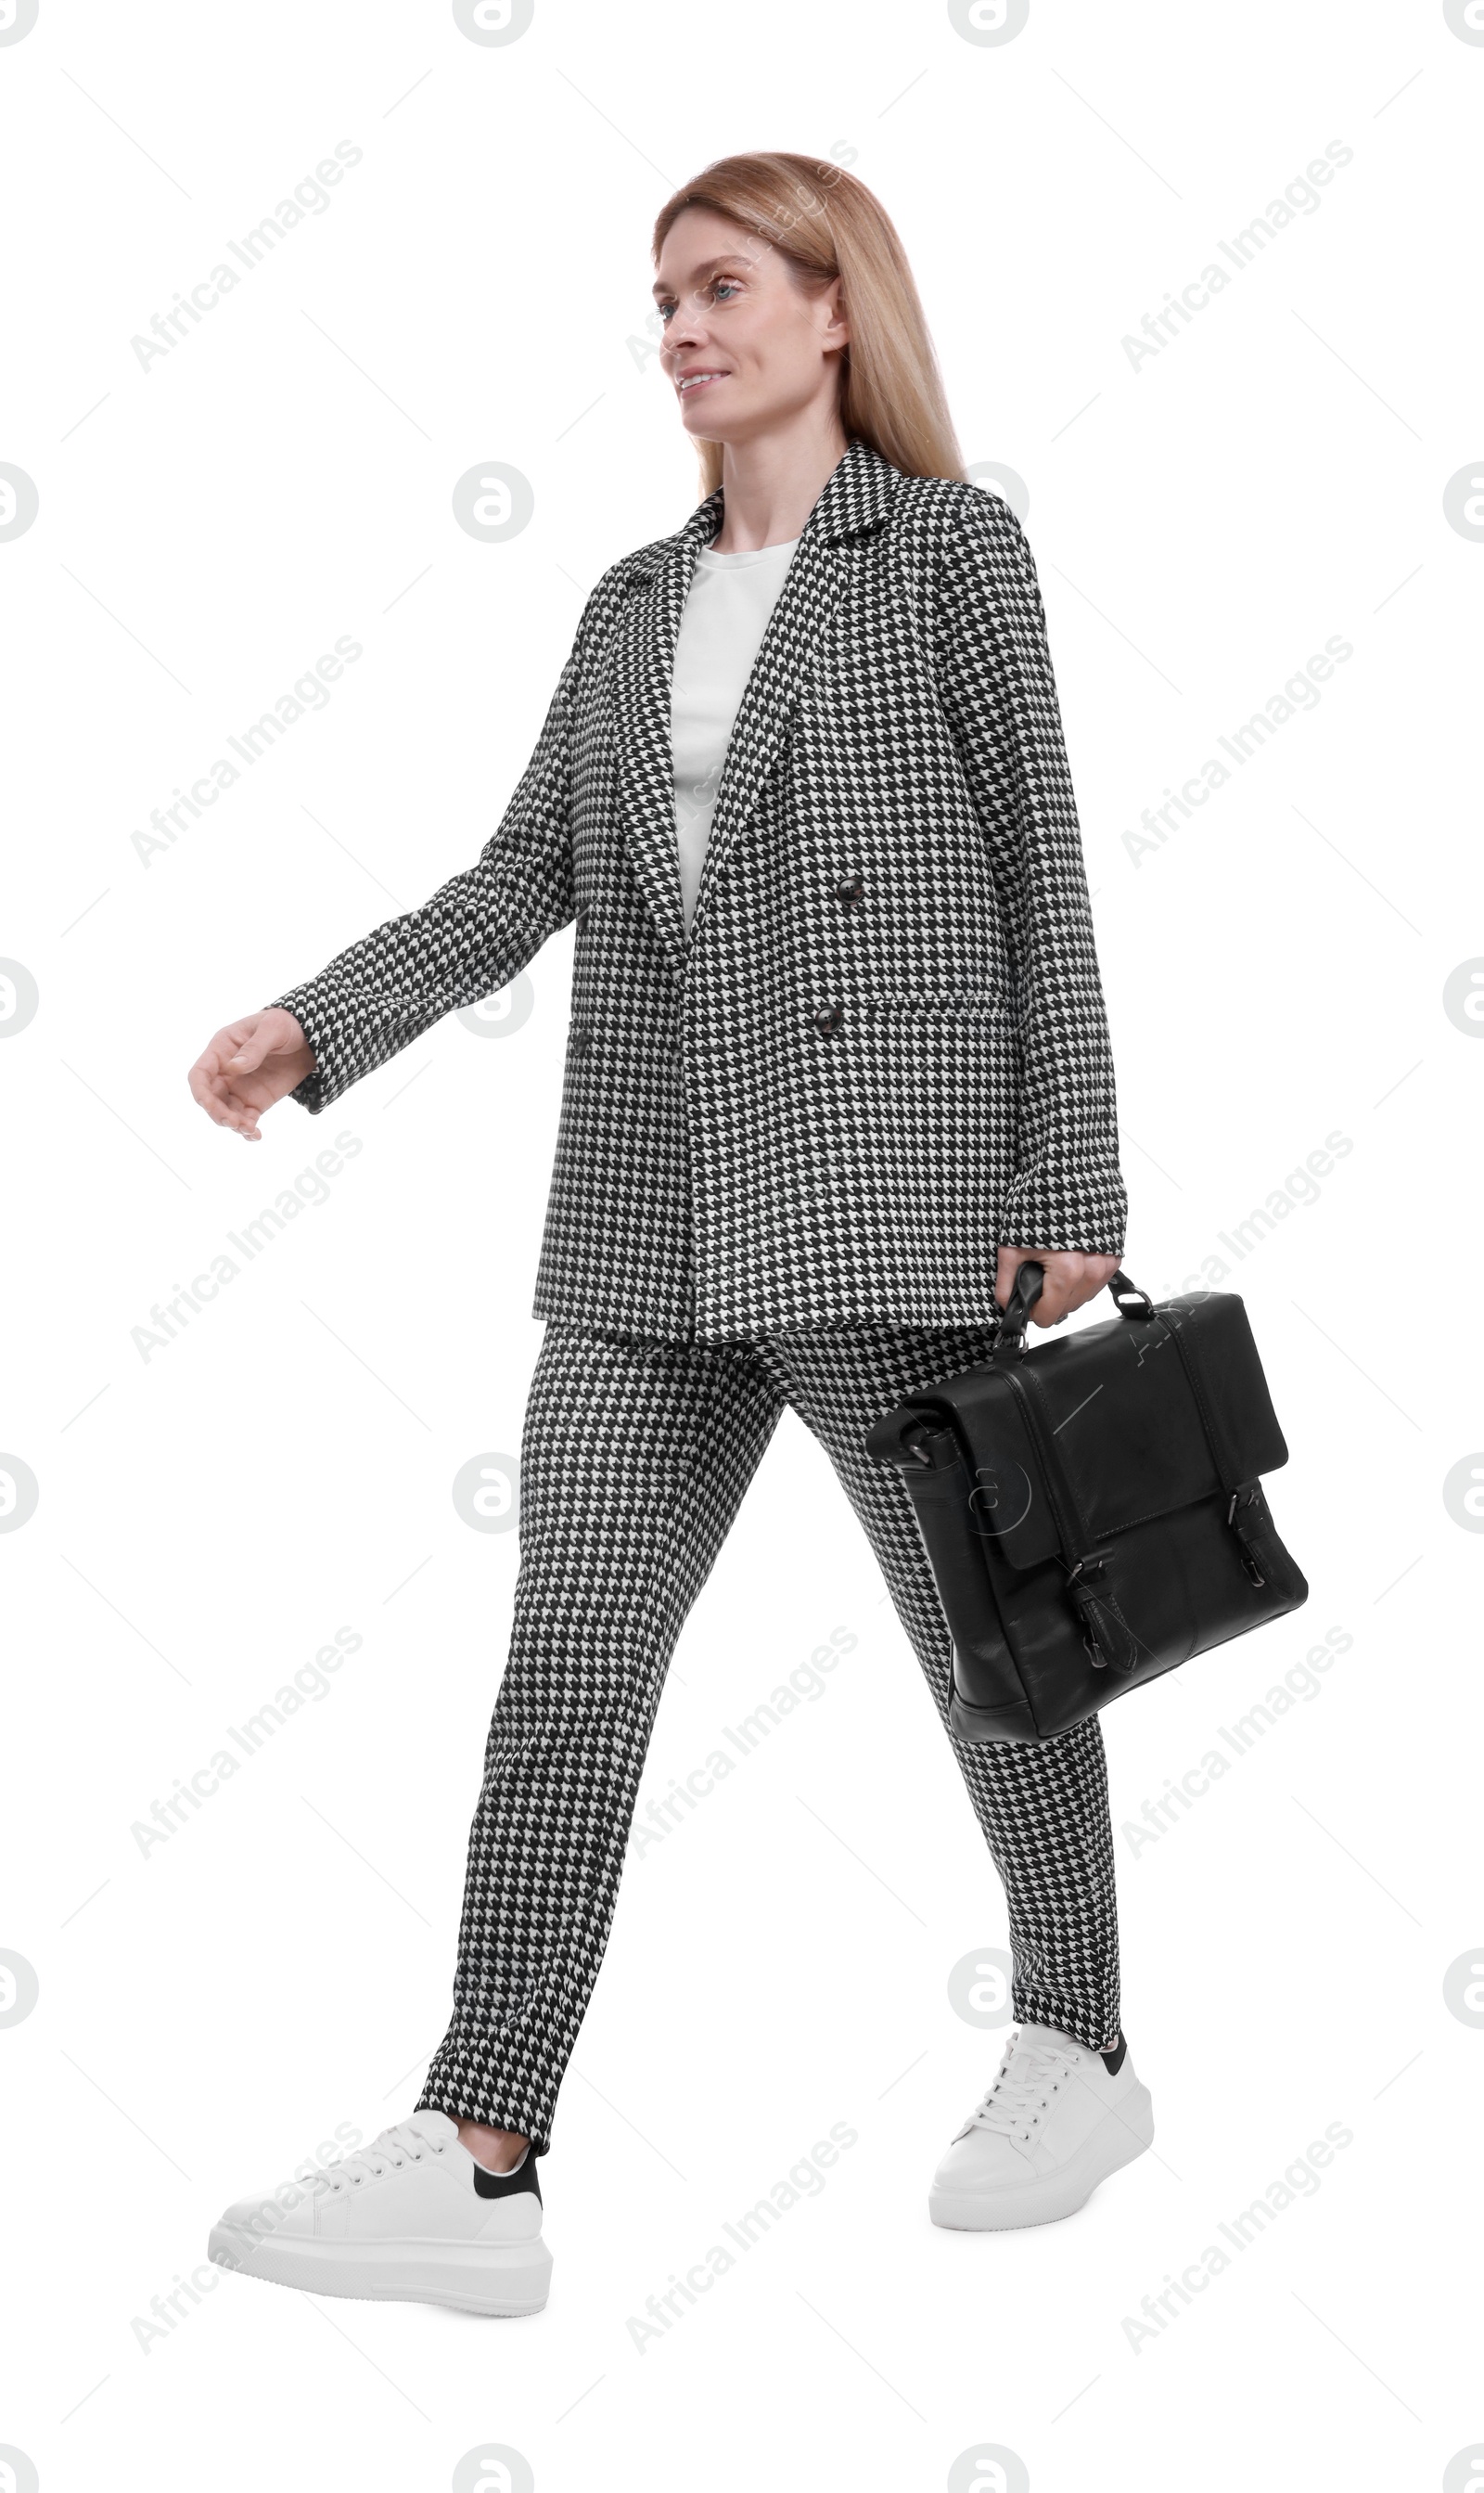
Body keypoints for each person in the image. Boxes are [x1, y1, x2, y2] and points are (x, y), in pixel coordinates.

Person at [188, 151, 1153, 2319]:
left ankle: (1077, 2040)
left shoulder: (952, 556)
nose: (681, 331)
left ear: (832, 312)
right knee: (566, 1682)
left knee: (989, 1656)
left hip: (893, 1200)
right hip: (647, 1221)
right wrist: (309, 1023)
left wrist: (1067, 1185)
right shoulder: (626, 603)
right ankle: (481, 2149)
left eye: (720, 288)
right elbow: (515, 873)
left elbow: (1043, 873)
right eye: (661, 301)